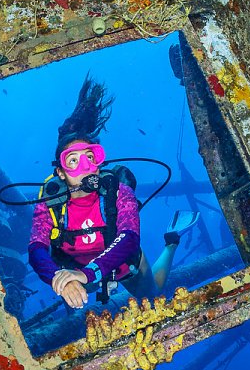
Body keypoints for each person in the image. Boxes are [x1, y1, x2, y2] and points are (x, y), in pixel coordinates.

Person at [28, 74, 198, 309]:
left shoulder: (117, 190)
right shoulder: (51, 200)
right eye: (73, 161)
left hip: (121, 264)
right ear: (60, 172)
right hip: (77, 271)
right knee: (74, 300)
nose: (85, 168)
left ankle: (171, 241)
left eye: (90, 157)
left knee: (153, 293)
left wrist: (89, 273)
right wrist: (57, 277)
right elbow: (36, 247)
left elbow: (129, 238)